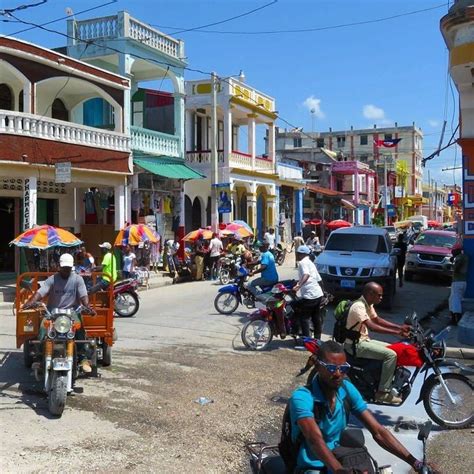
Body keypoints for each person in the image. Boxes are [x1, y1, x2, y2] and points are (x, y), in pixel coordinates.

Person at [289, 340, 438, 473]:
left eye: (343, 369)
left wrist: (415, 463)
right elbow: (315, 439)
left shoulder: (346, 389)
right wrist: (339, 470)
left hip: (340, 459)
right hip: (313, 466)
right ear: (318, 366)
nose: (338, 374)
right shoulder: (302, 398)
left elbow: (379, 431)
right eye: (331, 368)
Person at [22, 253, 93, 373]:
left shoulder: (77, 279)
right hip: (52, 313)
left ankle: (83, 358)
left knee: (79, 329)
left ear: (72, 267)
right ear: (59, 266)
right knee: (42, 330)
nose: (66, 270)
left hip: (72, 312)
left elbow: (83, 295)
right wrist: (31, 301)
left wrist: (87, 306)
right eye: (64, 267)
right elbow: (40, 292)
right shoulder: (52, 279)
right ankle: (40, 358)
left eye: (68, 268)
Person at [344, 282, 410, 404]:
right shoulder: (358, 306)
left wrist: (400, 327)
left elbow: (377, 319)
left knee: (395, 348)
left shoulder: (368, 304)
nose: (381, 298)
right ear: (370, 294)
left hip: (364, 340)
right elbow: (372, 326)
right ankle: (382, 392)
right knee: (391, 355)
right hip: (355, 345)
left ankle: (383, 380)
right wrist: (396, 332)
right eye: (379, 295)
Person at [293, 245, 324, 340]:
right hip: (318, 294)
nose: (297, 255)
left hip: (310, 295)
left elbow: (306, 274)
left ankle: (307, 341)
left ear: (302, 254)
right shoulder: (310, 262)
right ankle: (317, 339)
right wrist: (323, 292)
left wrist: (298, 285)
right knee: (316, 318)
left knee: (304, 318)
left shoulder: (302, 262)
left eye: (298, 253)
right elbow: (319, 279)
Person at [449, 242, 469, 325]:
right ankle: (454, 317)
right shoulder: (465, 257)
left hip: (457, 282)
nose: (452, 252)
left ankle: (456, 318)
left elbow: (456, 268)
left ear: (457, 250)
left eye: (453, 251)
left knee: (455, 300)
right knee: (452, 299)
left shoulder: (459, 258)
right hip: (463, 282)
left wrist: (453, 261)